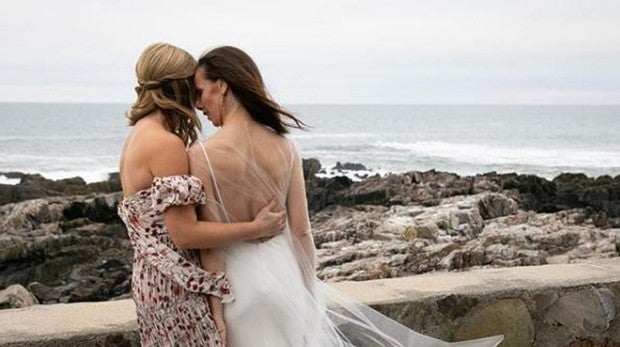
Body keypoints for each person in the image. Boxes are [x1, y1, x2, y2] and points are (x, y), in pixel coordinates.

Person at [189, 45, 505, 346]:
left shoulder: (201, 155)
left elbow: (211, 247)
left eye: (200, 92)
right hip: (286, 284)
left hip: (238, 292)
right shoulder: (285, 147)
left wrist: (215, 314)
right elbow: (301, 231)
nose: (199, 105)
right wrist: (309, 294)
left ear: (222, 86)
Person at [117, 42, 287, 346]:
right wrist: (256, 228)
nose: (197, 101)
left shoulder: (137, 135)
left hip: (150, 280)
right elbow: (184, 234)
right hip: (175, 287)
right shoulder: (165, 144)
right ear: (177, 88)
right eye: (191, 88)